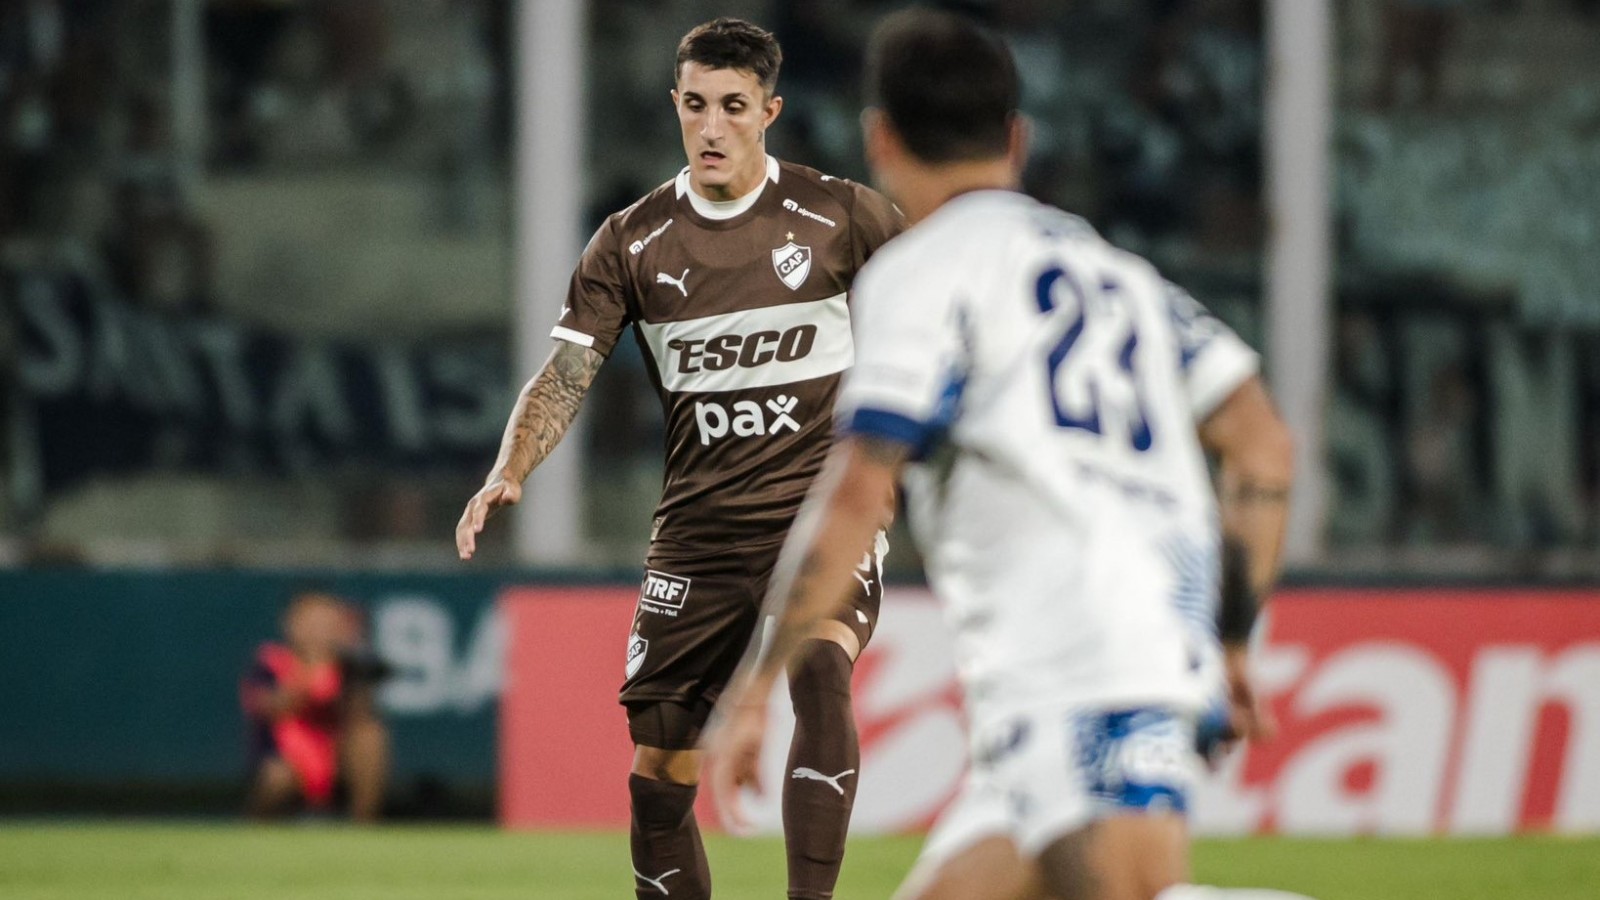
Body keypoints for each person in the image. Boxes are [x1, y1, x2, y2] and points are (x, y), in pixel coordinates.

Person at [706, 10, 1312, 900]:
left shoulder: (925, 273)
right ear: (1016, 139)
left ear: (880, 140)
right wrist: (1225, 636)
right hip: (1093, 659)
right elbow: (1261, 439)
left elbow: (858, 492)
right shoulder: (1122, 278)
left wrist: (756, 688)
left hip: (1084, 658)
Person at [454, 18, 902, 900]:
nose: (712, 126)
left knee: (820, 666)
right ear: (675, 106)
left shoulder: (842, 217)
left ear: (769, 111)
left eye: (733, 107)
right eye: (696, 105)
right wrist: (511, 467)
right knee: (658, 778)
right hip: (698, 537)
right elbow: (568, 371)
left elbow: (938, 305)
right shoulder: (632, 240)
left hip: (817, 517)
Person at [241, 591, 391, 823]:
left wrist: (348, 663)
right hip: (289, 759)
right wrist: (311, 674)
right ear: (291, 624)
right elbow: (268, 706)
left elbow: (361, 712)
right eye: (311, 622)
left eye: (325, 622)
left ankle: (365, 825)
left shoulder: (348, 665)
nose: (318, 631)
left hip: (335, 759)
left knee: (371, 736)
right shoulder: (272, 661)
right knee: (276, 775)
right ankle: (256, 825)